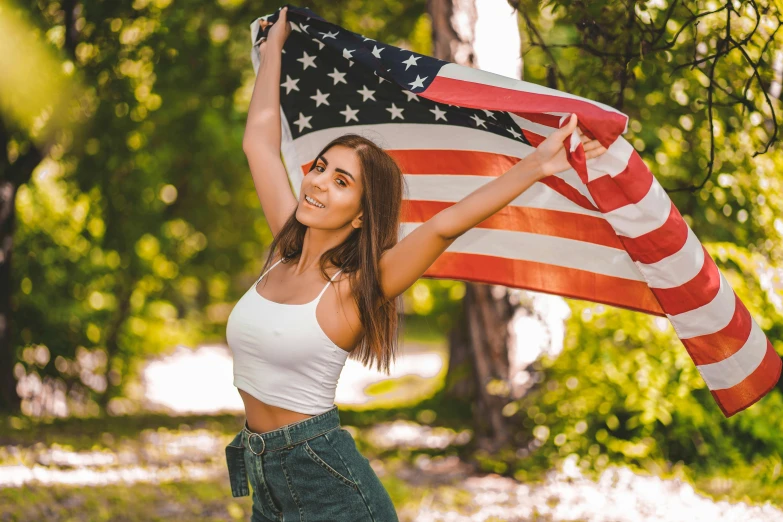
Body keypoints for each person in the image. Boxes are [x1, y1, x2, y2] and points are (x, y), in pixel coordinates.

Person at [224, 6, 608, 522]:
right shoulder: (284, 251)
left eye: (342, 181)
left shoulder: (359, 284)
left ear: (361, 216)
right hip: (264, 475)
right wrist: (274, 50)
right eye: (320, 168)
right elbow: (259, 143)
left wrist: (539, 164)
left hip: (327, 483)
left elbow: (445, 225)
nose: (316, 181)